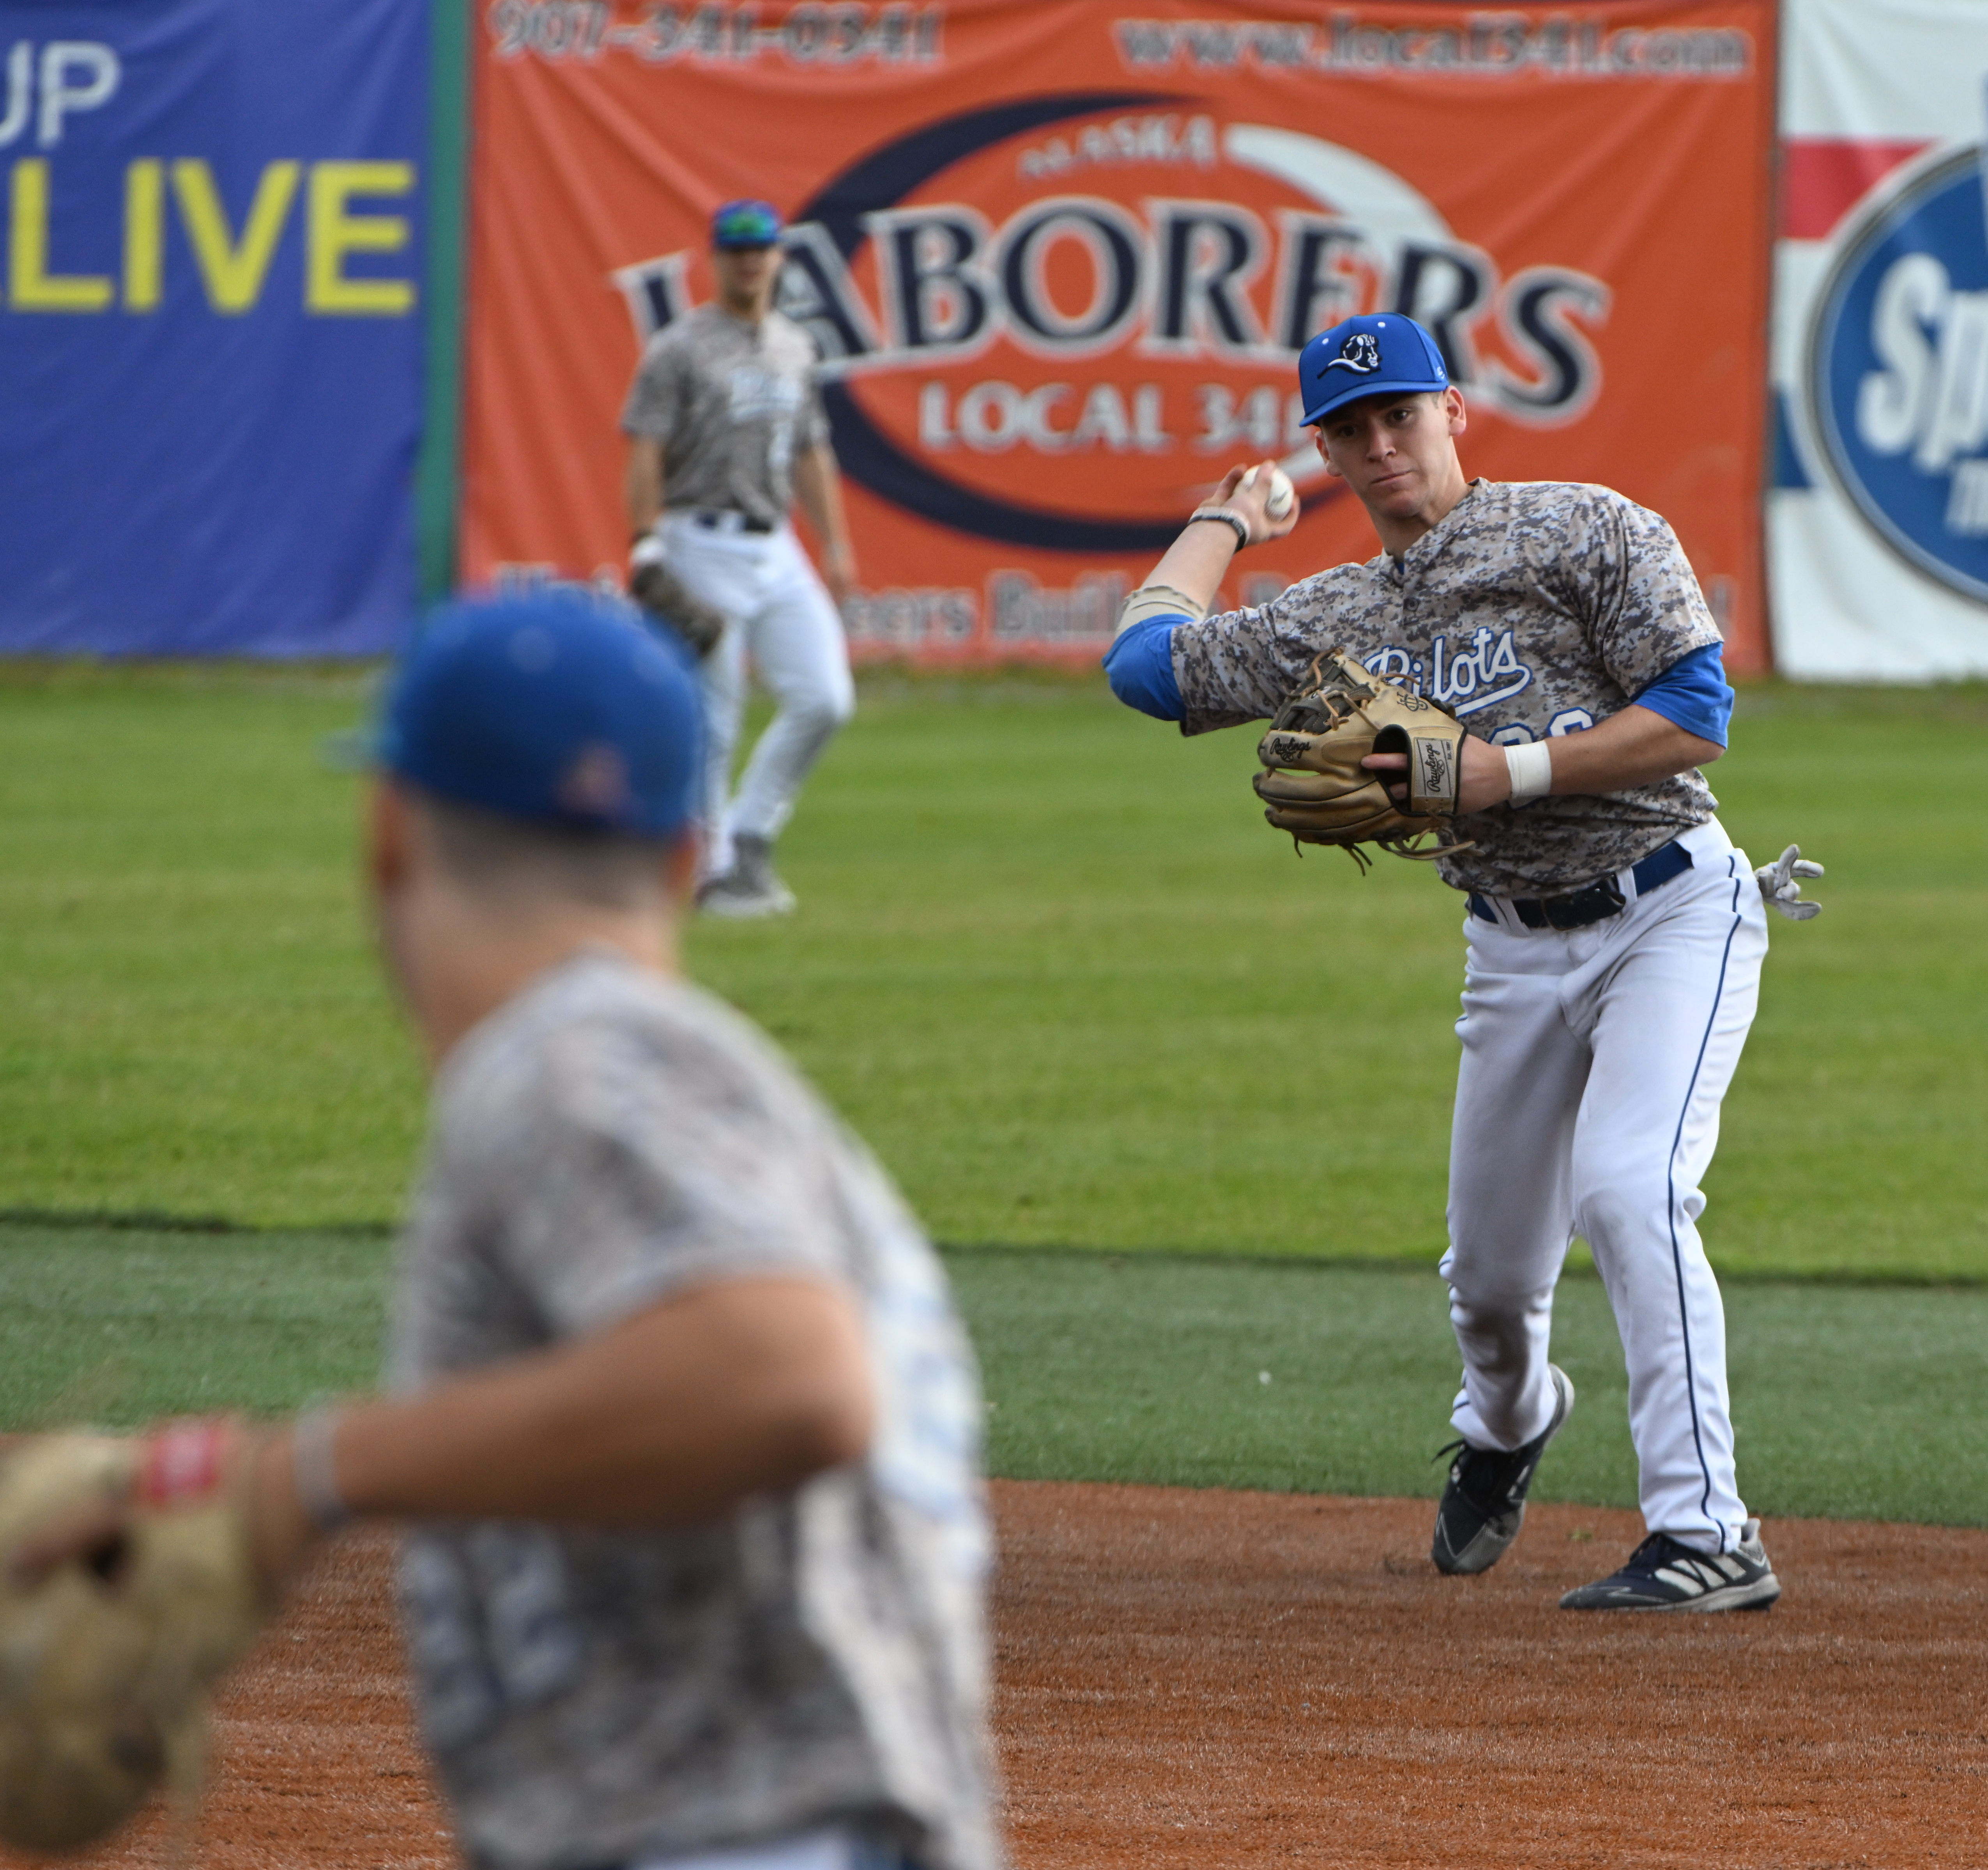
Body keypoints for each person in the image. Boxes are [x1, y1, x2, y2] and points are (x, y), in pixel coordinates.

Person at [29, 593, 1001, 1870]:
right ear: (679, 858)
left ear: (388, 836)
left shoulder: (571, 1054)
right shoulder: (705, 1087)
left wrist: (305, 1474)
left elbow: (789, 1376)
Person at [1102, 312, 1792, 1612]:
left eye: (1401, 415)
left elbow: (1698, 715)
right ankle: (1511, 1420)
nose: (1382, 445)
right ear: (1327, 448)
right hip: (1511, 948)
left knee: (1632, 1188)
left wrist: (1499, 771)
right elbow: (1145, 668)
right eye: (1351, 430)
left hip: (1669, 912)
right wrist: (1225, 518)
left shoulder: (1583, 528)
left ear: (1455, 412)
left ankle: (1709, 1531)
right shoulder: (1339, 613)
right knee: (1488, 1286)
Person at [622, 198, 858, 919]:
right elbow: (645, 446)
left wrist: (837, 543)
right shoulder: (681, 347)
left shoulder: (794, 345)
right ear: (715, 257)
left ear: (780, 256)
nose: (750, 260)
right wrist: (644, 541)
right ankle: (708, 869)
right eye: (736, 248)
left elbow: (812, 448)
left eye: (762, 248)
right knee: (714, 715)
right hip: (700, 535)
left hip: (774, 539)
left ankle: (750, 835)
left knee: (825, 696)